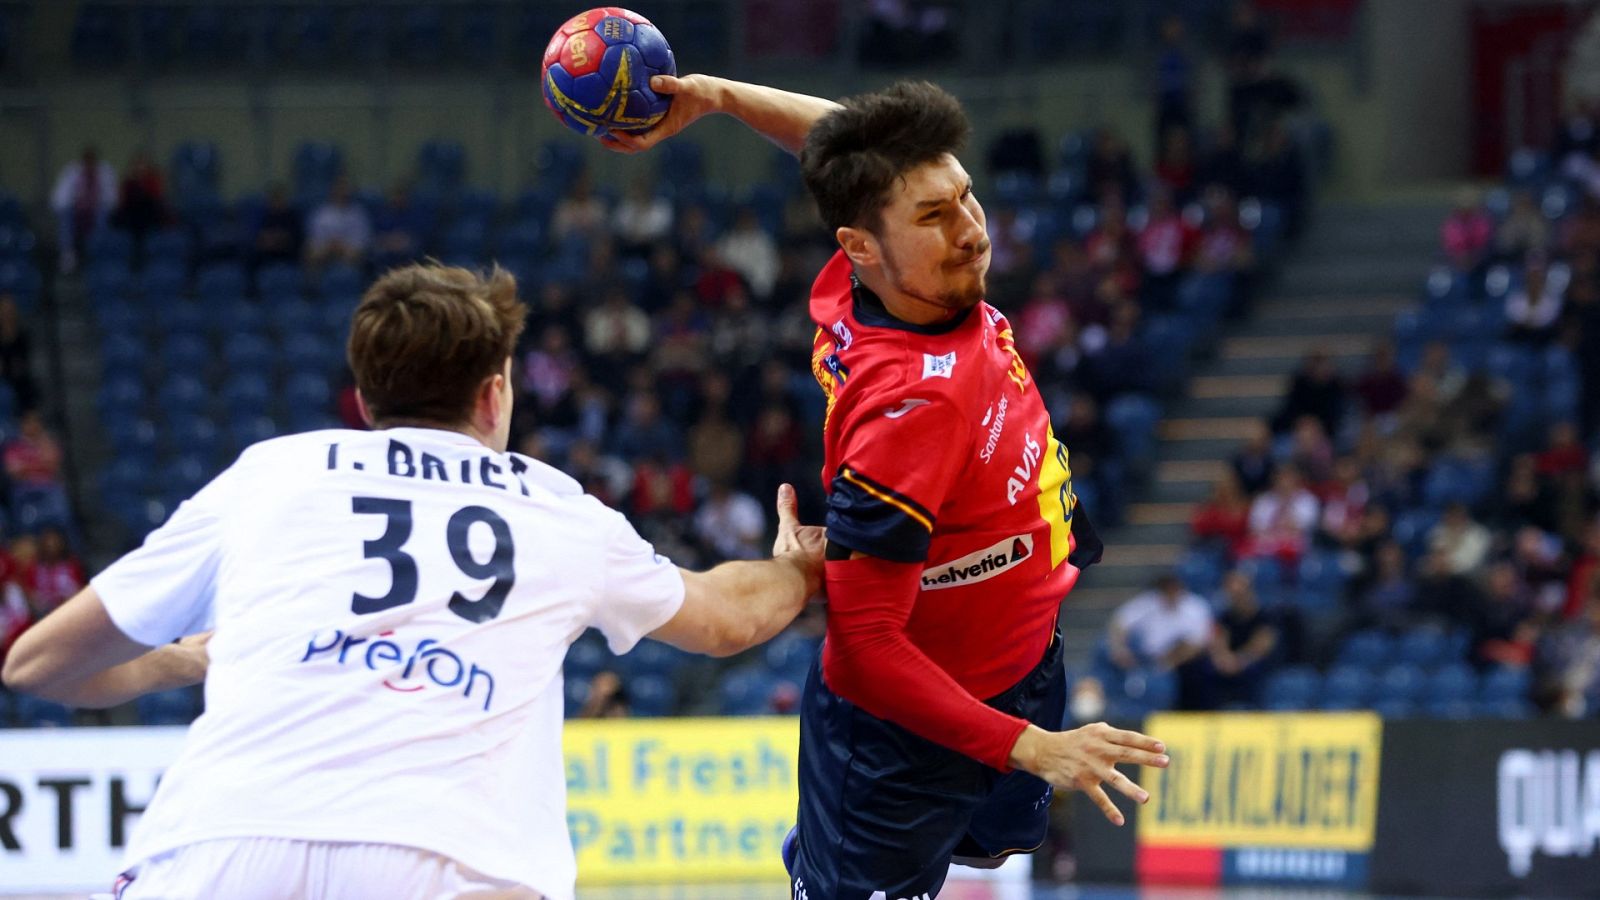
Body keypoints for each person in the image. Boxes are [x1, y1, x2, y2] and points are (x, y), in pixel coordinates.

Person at [1, 263, 827, 900]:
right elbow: (726, 620)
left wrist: (179, 661)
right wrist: (798, 568)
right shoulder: (554, 508)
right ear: (495, 392)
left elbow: (36, 664)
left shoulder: (271, 474)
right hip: (456, 861)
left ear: (364, 399)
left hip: (222, 845)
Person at [606, 76, 1168, 899]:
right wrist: (1031, 746)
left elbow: (848, 142)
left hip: (1019, 661)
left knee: (996, 844)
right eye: (936, 217)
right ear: (861, 244)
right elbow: (866, 652)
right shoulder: (915, 408)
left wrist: (721, 98)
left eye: (966, 199)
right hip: (901, 739)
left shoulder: (878, 280)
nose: (972, 230)